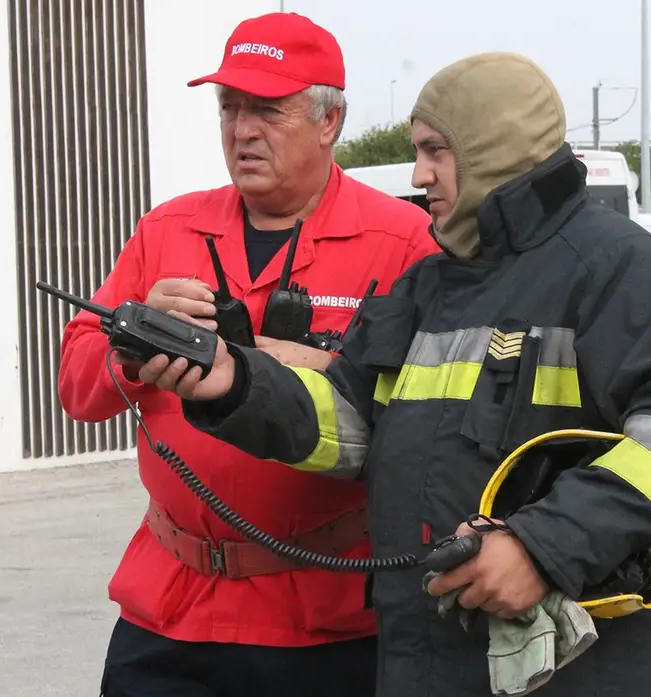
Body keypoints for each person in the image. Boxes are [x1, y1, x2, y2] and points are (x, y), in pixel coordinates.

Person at [134, 51, 651, 697]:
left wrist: (541, 546)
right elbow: (350, 424)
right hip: (420, 660)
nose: (420, 173)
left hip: (567, 672)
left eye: (434, 151)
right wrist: (235, 383)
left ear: (494, 147)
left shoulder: (618, 269)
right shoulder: (425, 285)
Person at [56, 11, 439, 697]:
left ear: (329, 122)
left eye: (267, 109)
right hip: (170, 613)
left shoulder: (406, 244)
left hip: (326, 625)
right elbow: (78, 389)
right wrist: (131, 348)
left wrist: (308, 361)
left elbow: (434, 419)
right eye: (229, 107)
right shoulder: (165, 231)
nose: (240, 131)